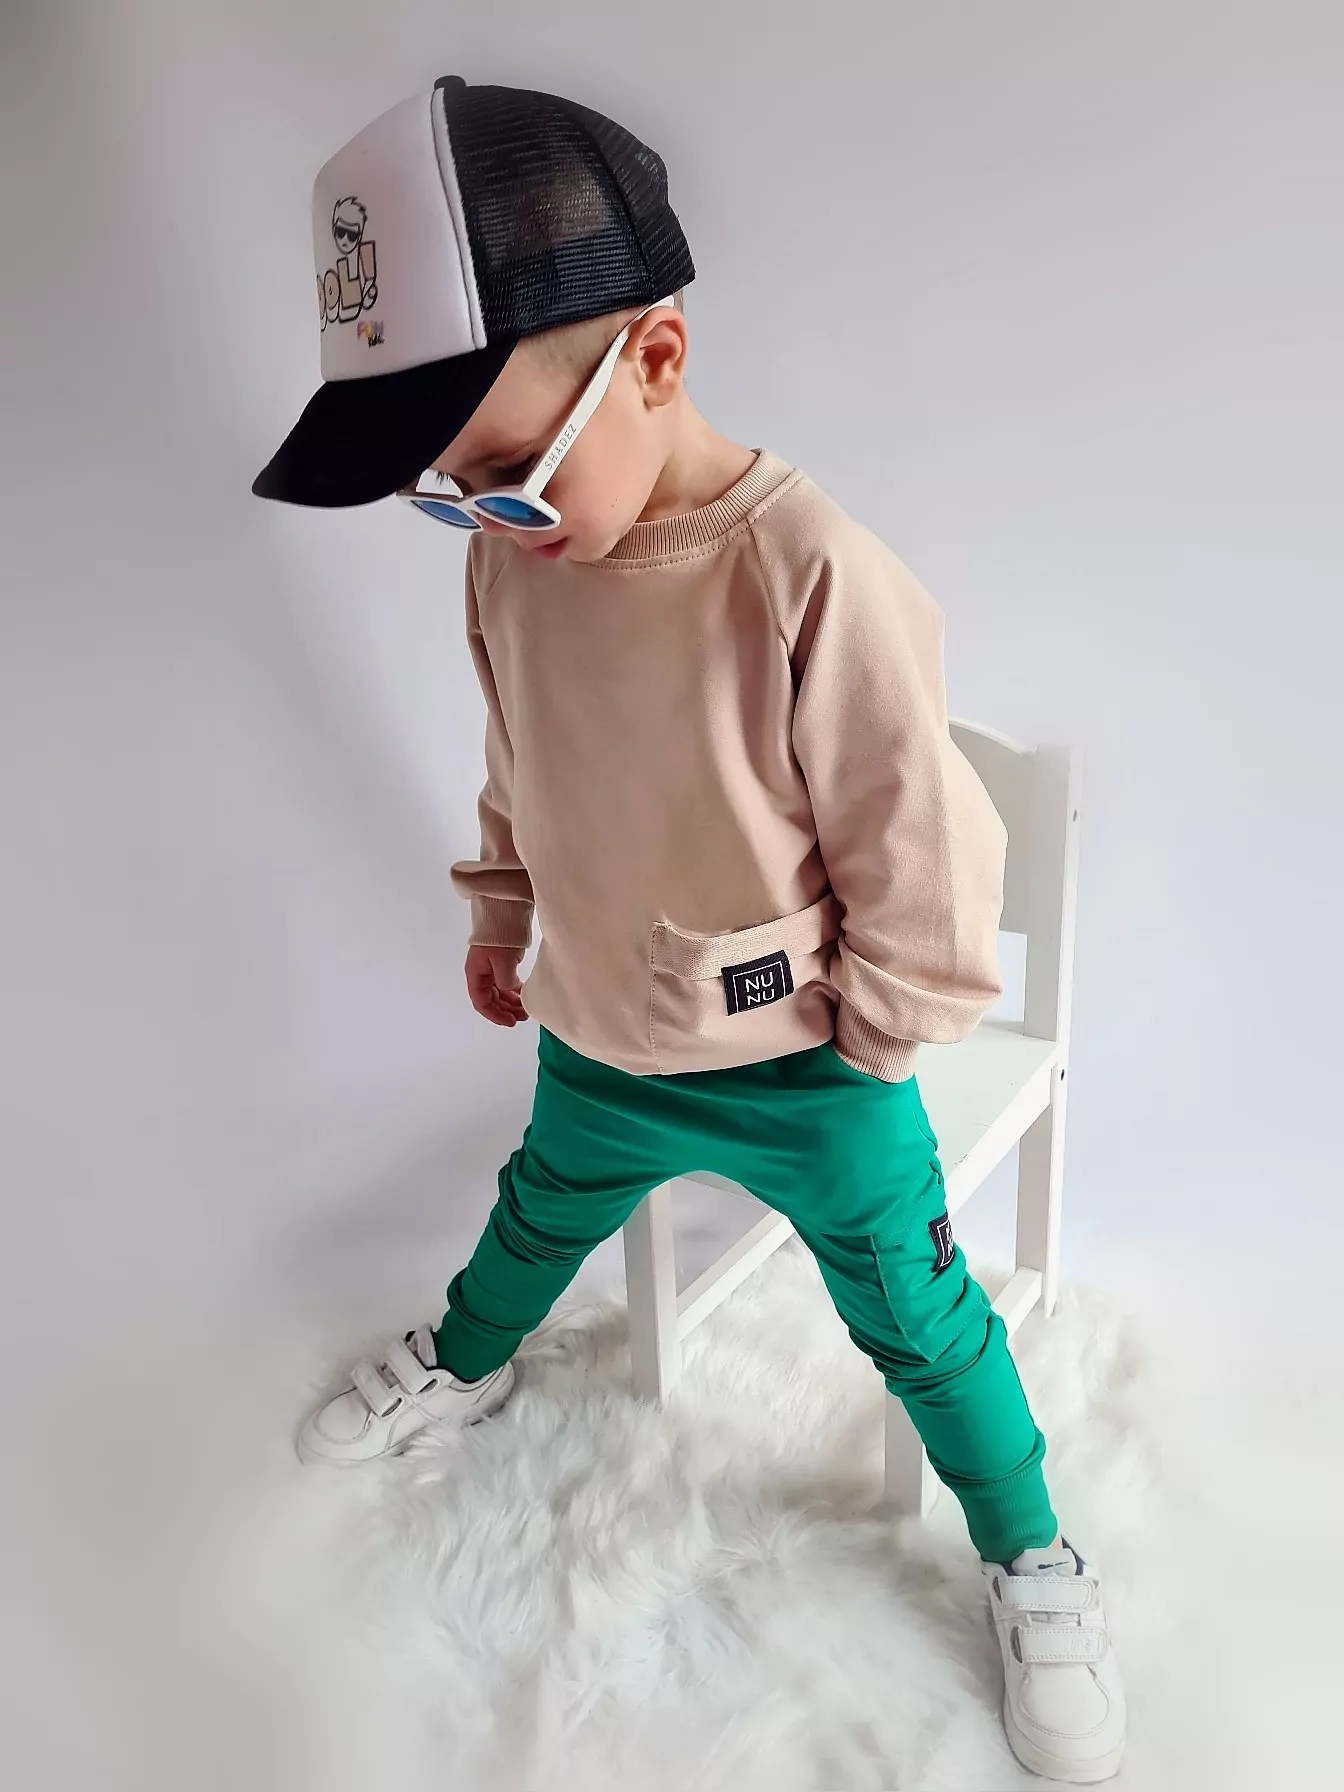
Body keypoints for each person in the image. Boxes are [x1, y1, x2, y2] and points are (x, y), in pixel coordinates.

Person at [252, 75, 1126, 1785]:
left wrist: (882, 1030)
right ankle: (469, 1363)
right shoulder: (508, 567)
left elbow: (920, 832)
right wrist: (508, 909)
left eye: (507, 475)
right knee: (535, 1212)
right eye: (446, 490)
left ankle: (1032, 1547)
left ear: (653, 358)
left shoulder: (807, 571)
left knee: (918, 1312)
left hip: (810, 1067)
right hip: (602, 1031)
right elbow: (520, 757)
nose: (483, 518)